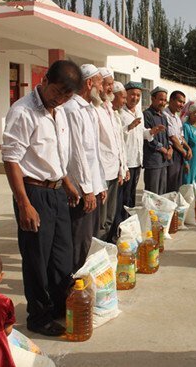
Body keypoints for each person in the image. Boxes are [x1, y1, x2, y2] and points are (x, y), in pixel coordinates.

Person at [3, 60, 82, 337]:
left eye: (67, 96)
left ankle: (59, 307)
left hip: (57, 192)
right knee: (37, 258)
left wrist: (67, 183)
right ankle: (38, 316)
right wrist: (24, 203)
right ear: (45, 80)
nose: (60, 99)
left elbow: (56, 155)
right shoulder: (23, 111)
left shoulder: (58, 111)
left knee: (62, 257)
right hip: (33, 192)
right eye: (57, 91)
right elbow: (11, 159)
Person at [63, 64, 106, 270]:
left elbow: (94, 153)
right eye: (99, 83)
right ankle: (77, 284)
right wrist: (87, 190)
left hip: (93, 187)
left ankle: (87, 279)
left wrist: (101, 185)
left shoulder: (89, 109)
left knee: (90, 238)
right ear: (89, 84)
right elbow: (76, 155)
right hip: (81, 190)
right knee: (79, 240)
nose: (103, 87)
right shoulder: (72, 109)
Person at [119, 82, 163, 220]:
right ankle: (120, 226)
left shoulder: (139, 112)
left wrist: (151, 131)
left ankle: (129, 224)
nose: (135, 98)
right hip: (126, 162)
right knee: (122, 198)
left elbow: (141, 133)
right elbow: (116, 135)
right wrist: (129, 127)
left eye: (138, 95)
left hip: (137, 160)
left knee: (131, 197)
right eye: (132, 94)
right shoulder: (119, 112)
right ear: (125, 95)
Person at [92, 68, 125, 240]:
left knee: (110, 217)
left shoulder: (110, 110)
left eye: (112, 84)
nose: (111, 88)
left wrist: (121, 168)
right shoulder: (94, 110)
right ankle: (97, 253)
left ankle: (105, 251)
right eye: (108, 84)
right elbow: (94, 146)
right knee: (100, 221)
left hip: (113, 171)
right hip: (101, 174)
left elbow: (117, 143)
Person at [106, 81, 130, 243]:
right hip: (105, 174)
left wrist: (123, 168)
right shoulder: (103, 114)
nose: (125, 101)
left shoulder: (115, 115)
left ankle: (111, 240)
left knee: (112, 212)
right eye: (123, 97)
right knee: (105, 217)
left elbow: (119, 145)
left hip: (117, 171)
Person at [143, 86, 172, 195]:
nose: (163, 103)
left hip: (164, 161)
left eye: (165, 100)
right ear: (153, 99)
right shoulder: (147, 115)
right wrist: (164, 150)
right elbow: (148, 138)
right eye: (160, 99)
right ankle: (150, 213)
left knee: (161, 193)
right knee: (152, 193)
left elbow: (167, 136)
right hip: (153, 160)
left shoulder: (163, 116)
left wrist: (170, 149)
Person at [164, 90, 191, 193]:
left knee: (178, 182)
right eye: (180, 101)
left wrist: (188, 148)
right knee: (171, 183)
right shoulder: (166, 115)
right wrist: (184, 152)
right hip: (173, 152)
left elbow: (181, 137)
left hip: (180, 152)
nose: (182, 105)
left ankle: (175, 205)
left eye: (183, 102)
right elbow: (173, 138)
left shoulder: (177, 117)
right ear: (171, 100)